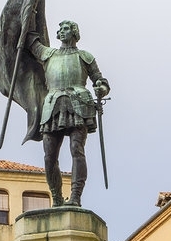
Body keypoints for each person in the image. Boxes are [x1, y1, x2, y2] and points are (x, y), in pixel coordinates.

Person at [26, 20, 110, 207]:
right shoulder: (47, 54)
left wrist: (101, 88)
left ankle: (75, 197)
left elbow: (101, 80)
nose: (61, 32)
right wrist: (30, 10)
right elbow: (29, 41)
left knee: (76, 150)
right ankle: (56, 196)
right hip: (53, 105)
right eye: (60, 29)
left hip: (78, 104)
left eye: (66, 29)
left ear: (74, 33)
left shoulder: (85, 56)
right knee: (49, 155)